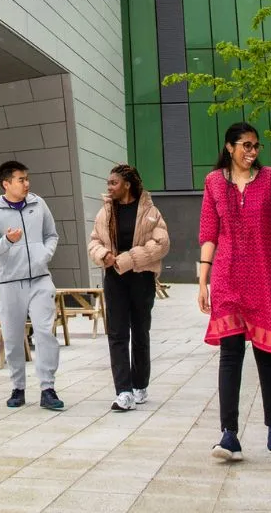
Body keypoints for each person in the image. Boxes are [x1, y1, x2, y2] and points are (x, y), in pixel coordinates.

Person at [198, 122, 271, 460]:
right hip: (227, 276)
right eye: (245, 145)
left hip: (265, 274)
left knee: (266, 353)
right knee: (230, 355)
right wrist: (203, 280)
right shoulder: (214, 182)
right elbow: (209, 232)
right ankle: (229, 434)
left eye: (255, 146)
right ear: (229, 147)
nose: (252, 152)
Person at [0, 159, 64, 410]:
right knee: (14, 338)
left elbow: (52, 235)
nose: (27, 183)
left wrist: (44, 255)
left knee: (45, 332)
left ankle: (47, 388)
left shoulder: (39, 204)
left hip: (40, 279)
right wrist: (7, 240)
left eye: (27, 178)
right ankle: (18, 387)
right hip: (9, 283)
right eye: (21, 179)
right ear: (6, 183)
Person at [88, 163, 170, 412]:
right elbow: (93, 241)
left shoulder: (150, 212)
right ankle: (123, 391)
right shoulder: (105, 212)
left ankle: (140, 384)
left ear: (127, 184)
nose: (109, 187)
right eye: (108, 183)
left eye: (113, 183)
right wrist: (103, 255)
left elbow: (162, 243)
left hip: (141, 277)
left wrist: (127, 259)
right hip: (114, 278)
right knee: (117, 334)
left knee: (140, 332)